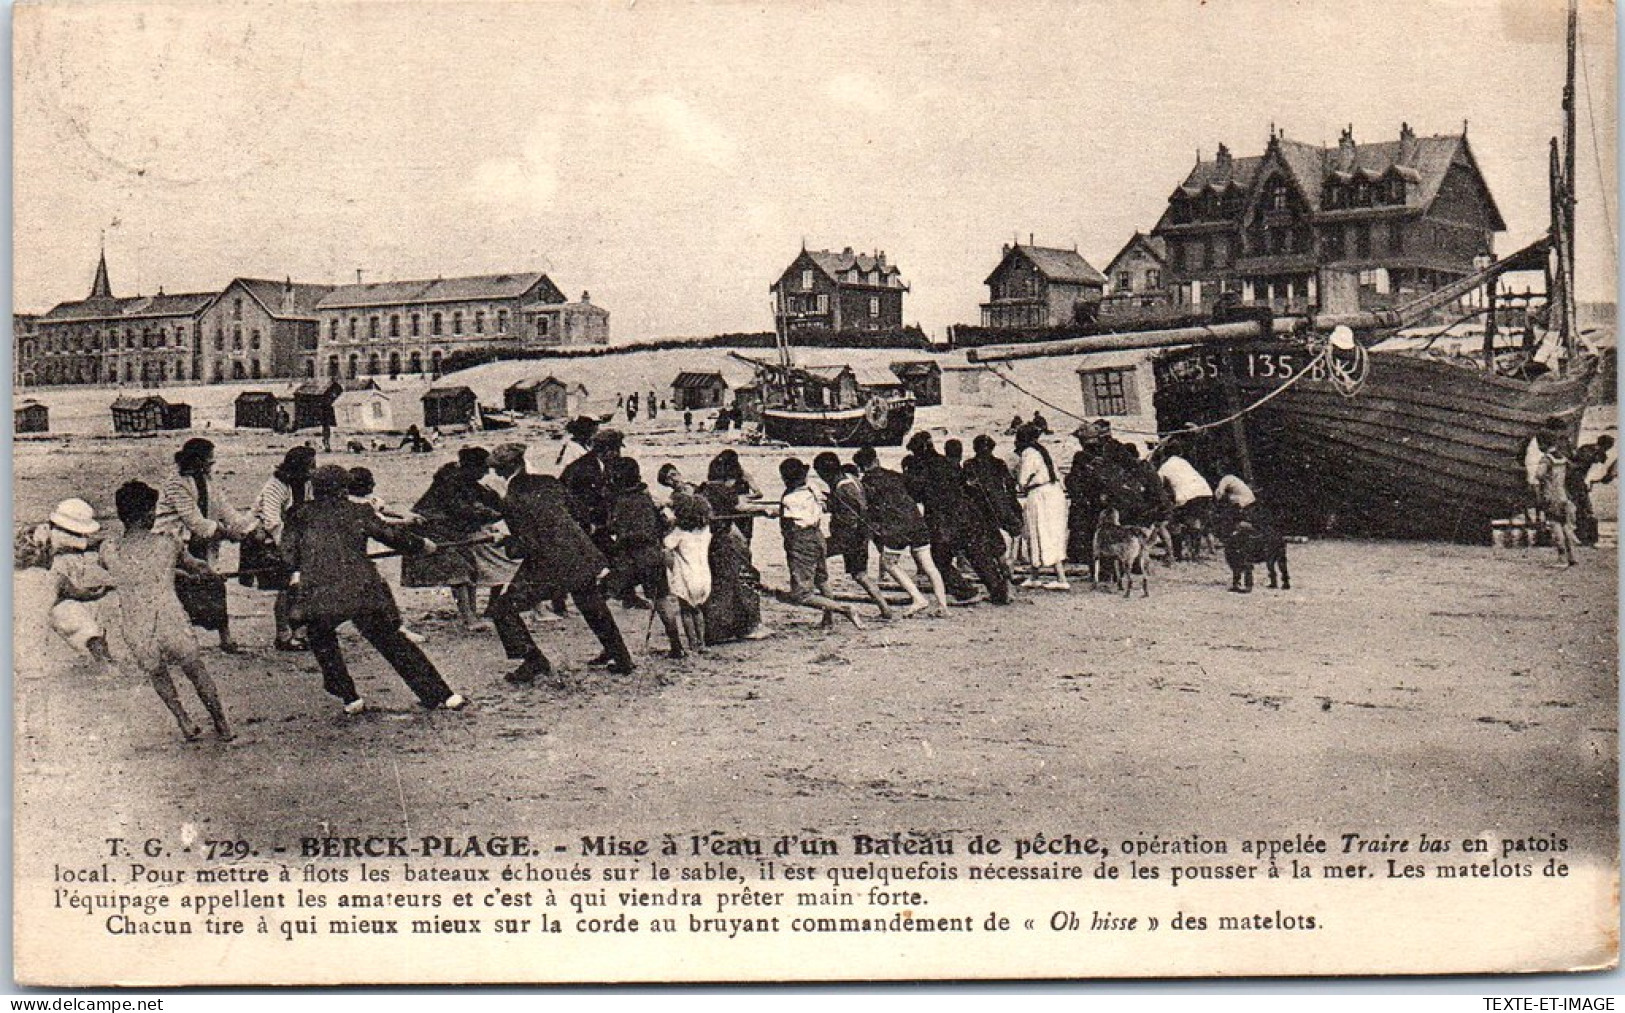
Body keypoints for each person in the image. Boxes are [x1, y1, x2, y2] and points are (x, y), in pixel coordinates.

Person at [283, 466, 466, 714]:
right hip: (360, 588)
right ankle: (443, 696)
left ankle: (349, 698)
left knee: (322, 639)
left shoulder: (298, 514)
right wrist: (423, 545)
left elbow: (287, 554)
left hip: (319, 590)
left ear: (314, 489)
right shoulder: (358, 511)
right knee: (392, 642)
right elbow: (391, 536)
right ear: (344, 489)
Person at [487, 443, 635, 680]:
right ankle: (622, 658)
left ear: (505, 470)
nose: (495, 474)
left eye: (498, 470)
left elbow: (526, 546)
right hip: (581, 555)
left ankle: (533, 661)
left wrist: (505, 542)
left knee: (502, 609)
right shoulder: (549, 482)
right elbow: (580, 515)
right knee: (591, 603)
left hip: (550, 564)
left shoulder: (512, 499)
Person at [101, 481, 233, 741]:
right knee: (196, 671)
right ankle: (222, 725)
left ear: (121, 515)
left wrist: (176, 574)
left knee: (157, 673)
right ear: (149, 513)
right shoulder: (168, 543)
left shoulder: (109, 549)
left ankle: (184, 720)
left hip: (135, 622)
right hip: (169, 618)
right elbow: (198, 567)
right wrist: (206, 575)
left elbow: (136, 572)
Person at [156, 438, 254, 653]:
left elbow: (224, 508)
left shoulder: (207, 480)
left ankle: (225, 638)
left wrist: (246, 528)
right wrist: (228, 533)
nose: (212, 464)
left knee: (214, 584)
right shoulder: (176, 483)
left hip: (201, 543)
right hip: (175, 543)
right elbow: (195, 521)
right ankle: (176, 643)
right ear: (198, 460)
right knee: (178, 592)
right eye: (209, 459)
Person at [401, 448, 505, 631]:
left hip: (450, 530)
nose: (487, 472)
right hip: (429, 529)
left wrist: (501, 507)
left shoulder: (468, 480)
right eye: (484, 468)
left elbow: (491, 500)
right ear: (471, 467)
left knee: (468, 565)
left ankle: (471, 614)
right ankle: (468, 619)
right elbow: (461, 510)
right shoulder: (450, 481)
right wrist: (489, 514)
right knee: (458, 568)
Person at [902, 431, 1010, 605]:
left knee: (938, 559)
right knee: (978, 554)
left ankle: (965, 592)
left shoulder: (920, 469)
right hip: (967, 514)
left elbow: (916, 494)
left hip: (943, 520)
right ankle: (999, 592)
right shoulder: (948, 463)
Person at [605, 457, 687, 658]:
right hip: (653, 554)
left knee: (603, 597)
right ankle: (676, 646)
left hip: (630, 558)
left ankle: (611, 648)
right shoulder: (647, 497)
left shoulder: (620, 502)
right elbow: (666, 523)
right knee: (661, 600)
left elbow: (614, 528)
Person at [854, 445, 948, 616]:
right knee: (929, 566)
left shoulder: (866, 484)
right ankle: (943, 605)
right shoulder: (894, 475)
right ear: (876, 460)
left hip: (896, 527)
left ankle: (918, 598)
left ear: (861, 468)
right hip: (917, 521)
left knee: (889, 563)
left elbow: (870, 510)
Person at [245, 446, 317, 651]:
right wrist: (289, 548)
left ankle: (301, 631)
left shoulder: (308, 484)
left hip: (297, 538)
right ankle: (283, 635)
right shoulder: (275, 486)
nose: (314, 468)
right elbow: (272, 520)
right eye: (311, 465)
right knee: (286, 587)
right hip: (270, 540)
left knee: (304, 585)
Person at [347, 467, 429, 645]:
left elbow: (383, 509)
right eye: (370, 481)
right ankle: (396, 628)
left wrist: (404, 514)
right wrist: (405, 522)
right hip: (368, 550)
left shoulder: (369, 500)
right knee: (379, 589)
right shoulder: (355, 506)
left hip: (371, 551)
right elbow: (382, 525)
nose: (374, 484)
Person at [776, 458, 862, 627]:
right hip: (818, 537)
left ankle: (843, 609)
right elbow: (822, 505)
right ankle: (828, 619)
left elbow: (790, 520)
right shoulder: (813, 488)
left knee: (802, 594)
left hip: (801, 541)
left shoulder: (790, 499)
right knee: (821, 580)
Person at [35, 499, 118, 672]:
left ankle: (104, 662)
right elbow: (91, 544)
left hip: (51, 591)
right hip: (54, 594)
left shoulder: (48, 533)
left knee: (89, 626)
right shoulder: (62, 537)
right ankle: (106, 665)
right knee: (86, 627)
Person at [813, 452, 893, 620]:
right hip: (862, 535)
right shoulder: (850, 478)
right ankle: (885, 609)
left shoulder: (842, 489)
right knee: (860, 575)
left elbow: (847, 517)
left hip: (848, 536)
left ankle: (828, 614)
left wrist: (825, 505)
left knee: (815, 559)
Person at [1015, 424, 1070, 589]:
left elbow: (1022, 480)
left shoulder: (1028, 453)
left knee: (1040, 532)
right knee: (1049, 532)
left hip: (1040, 495)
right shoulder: (1043, 451)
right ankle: (1035, 575)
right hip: (1054, 492)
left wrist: (1019, 484)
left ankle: (1061, 578)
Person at [962, 434, 1024, 578]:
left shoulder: (970, 464)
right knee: (1012, 532)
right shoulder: (998, 463)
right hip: (999, 504)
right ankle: (1010, 561)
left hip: (979, 506)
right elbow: (1009, 485)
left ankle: (995, 564)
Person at [664, 493, 713, 652]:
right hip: (704, 576)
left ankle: (692, 643)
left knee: (686, 611)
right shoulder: (705, 531)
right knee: (698, 609)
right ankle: (702, 643)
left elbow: (666, 545)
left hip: (686, 577)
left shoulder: (679, 533)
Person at [1156, 448, 1215, 561]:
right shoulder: (1184, 462)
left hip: (1187, 496)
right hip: (1205, 492)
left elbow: (1158, 484)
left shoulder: (1164, 467)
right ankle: (1195, 553)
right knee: (1195, 523)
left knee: (1174, 524)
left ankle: (1177, 553)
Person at [1533, 437, 1578, 566]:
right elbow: (1571, 471)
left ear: (1542, 444)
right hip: (1562, 494)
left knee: (1554, 524)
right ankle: (1572, 556)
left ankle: (1562, 557)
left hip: (1551, 495)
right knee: (1565, 525)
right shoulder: (1562, 458)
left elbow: (1539, 475)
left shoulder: (1546, 459)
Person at [706, 449, 764, 544]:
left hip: (743, 511)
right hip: (726, 511)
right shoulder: (719, 475)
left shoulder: (743, 475)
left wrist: (743, 497)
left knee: (744, 540)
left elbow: (758, 494)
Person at [1567, 435, 1615, 546]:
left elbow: (1576, 461)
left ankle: (1581, 534)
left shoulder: (1585, 448)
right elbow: (1596, 471)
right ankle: (1588, 538)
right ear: (1607, 446)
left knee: (1580, 508)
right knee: (1586, 509)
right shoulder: (1599, 454)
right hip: (1579, 482)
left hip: (1573, 480)